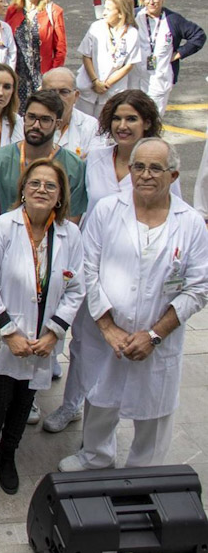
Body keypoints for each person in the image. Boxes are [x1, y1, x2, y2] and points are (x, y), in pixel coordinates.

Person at [58, 139, 208, 471]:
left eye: (156, 168)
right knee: (100, 397)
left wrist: (154, 334)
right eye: (139, 166)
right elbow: (87, 269)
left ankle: (144, 470)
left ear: (173, 175)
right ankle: (96, 455)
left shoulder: (191, 224)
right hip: (107, 333)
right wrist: (108, 328)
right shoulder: (108, 210)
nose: (146, 175)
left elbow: (198, 288)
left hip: (159, 340)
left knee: (155, 409)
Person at [42, 91, 169, 433]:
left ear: (147, 123)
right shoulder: (95, 158)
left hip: (135, 271)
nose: (123, 126)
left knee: (121, 346)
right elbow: (78, 206)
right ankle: (71, 406)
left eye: (132, 119)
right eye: (117, 118)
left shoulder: (158, 165)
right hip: (90, 262)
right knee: (84, 342)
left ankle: (106, 420)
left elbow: (171, 218)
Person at [0, 160, 84, 495]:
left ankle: (8, 454)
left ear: (60, 196)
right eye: (34, 183)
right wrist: (9, 333)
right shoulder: (2, 228)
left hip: (42, 340)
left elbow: (77, 287)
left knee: (26, 400)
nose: (41, 190)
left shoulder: (70, 234)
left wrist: (53, 333)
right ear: (22, 189)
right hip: (6, 338)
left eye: (50, 186)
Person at [0, 90, 86, 215]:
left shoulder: (74, 166)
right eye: (31, 117)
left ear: (58, 124)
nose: (36, 125)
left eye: (45, 120)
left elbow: (71, 219)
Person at [134, 0, 206, 114]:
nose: (151, 2)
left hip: (160, 80)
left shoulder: (173, 19)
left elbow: (199, 36)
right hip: (135, 80)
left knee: (153, 120)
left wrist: (178, 54)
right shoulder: (134, 16)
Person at [6, 0, 67, 110]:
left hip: (42, 78)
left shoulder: (54, 11)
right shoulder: (12, 11)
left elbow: (61, 50)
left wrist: (50, 79)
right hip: (18, 77)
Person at [75, 0, 142, 117]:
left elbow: (128, 65)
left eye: (108, 9)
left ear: (121, 14)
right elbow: (86, 55)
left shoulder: (132, 34)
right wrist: (95, 81)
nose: (104, 12)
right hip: (89, 86)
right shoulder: (96, 27)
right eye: (104, 8)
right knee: (82, 122)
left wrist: (107, 84)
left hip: (111, 90)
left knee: (104, 126)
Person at [41, 67, 104, 158]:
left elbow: (94, 162)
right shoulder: (27, 123)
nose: (57, 98)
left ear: (76, 96)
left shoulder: (91, 126)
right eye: (51, 92)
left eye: (64, 92)